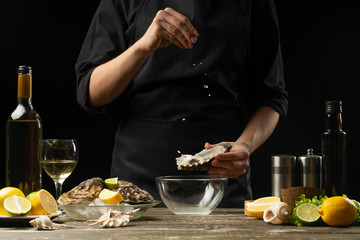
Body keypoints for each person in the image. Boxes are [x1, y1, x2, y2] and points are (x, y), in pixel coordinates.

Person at [75, 0, 288, 207]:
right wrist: (144, 45)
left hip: (221, 180)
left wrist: (244, 146)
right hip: (138, 178)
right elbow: (92, 93)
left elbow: (271, 96)